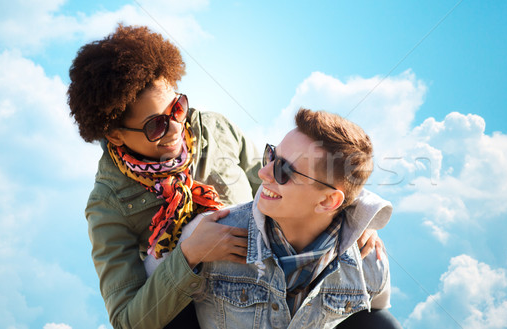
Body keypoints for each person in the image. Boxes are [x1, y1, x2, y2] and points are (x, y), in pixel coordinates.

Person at [68, 24, 389, 329]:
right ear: (115, 135)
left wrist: (351, 219)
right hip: (199, 311)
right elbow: (128, 320)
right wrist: (189, 256)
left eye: (177, 108)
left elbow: (286, 180)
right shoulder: (108, 205)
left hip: (267, 284)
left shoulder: (214, 129)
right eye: (156, 125)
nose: (177, 128)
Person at [146, 108, 403, 328]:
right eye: (271, 155)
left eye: (284, 170)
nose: (263, 172)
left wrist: (361, 224)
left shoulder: (368, 262)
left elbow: (374, 317)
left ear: (327, 201)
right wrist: (188, 256)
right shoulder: (209, 235)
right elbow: (147, 310)